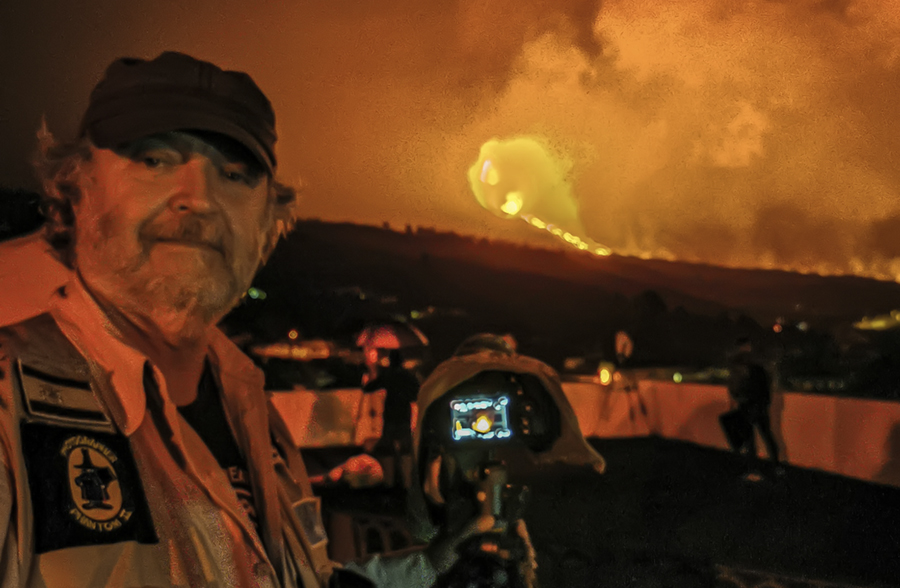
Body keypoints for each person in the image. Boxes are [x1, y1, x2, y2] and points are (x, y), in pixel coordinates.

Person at [0, 51, 499, 587]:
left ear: (267, 227)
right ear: (75, 189)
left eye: (234, 175)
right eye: (154, 160)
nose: (198, 198)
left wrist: (436, 569)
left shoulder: (252, 411)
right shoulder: (11, 412)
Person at [726, 337, 782, 481]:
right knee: (766, 436)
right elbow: (767, 384)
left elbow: (737, 385)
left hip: (748, 404)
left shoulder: (739, 363)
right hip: (760, 405)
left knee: (750, 440)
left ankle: (753, 470)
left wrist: (736, 398)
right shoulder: (760, 363)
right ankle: (777, 466)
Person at [363, 349, 420, 490]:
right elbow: (417, 393)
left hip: (390, 417)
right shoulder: (408, 376)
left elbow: (369, 388)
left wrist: (372, 372)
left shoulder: (388, 376)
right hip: (404, 416)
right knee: (405, 449)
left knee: (387, 449)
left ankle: (389, 482)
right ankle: (407, 483)